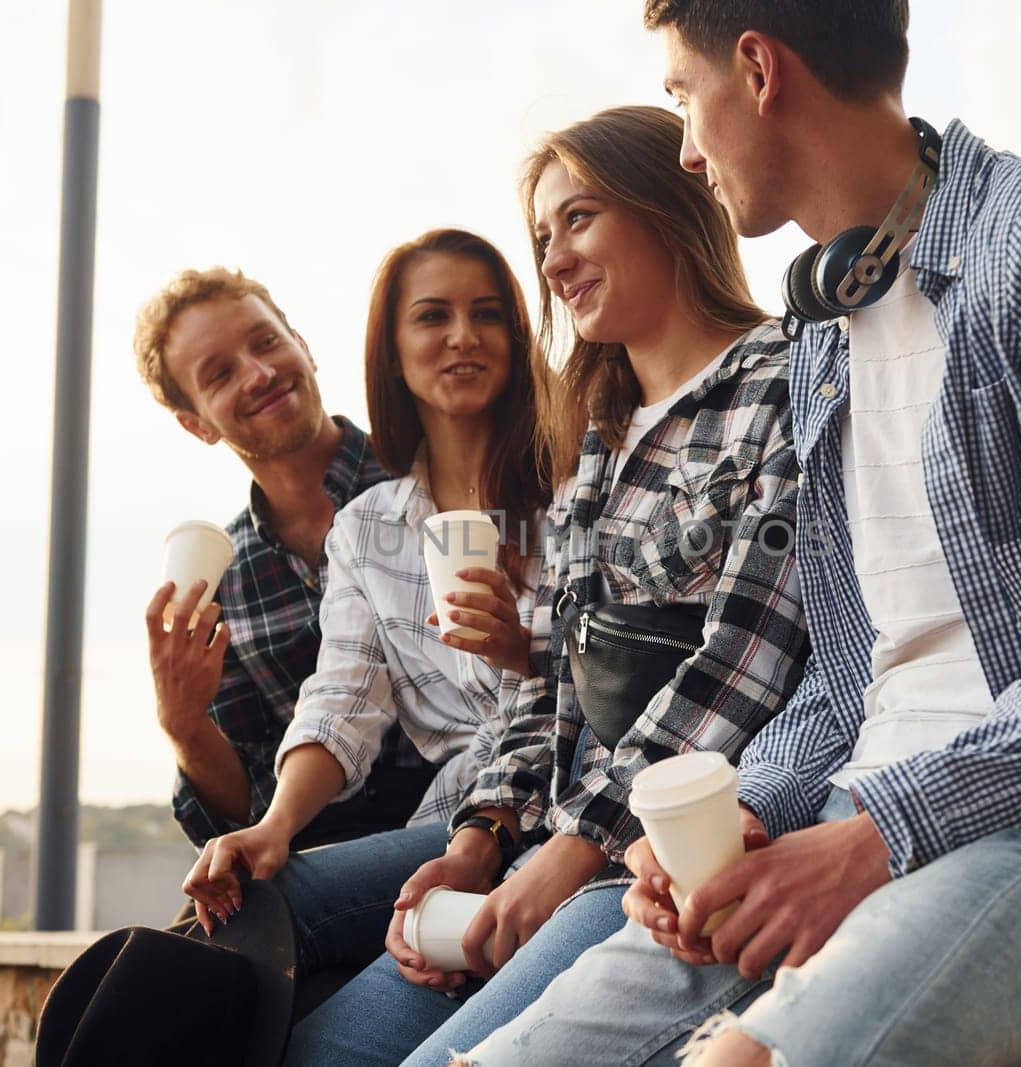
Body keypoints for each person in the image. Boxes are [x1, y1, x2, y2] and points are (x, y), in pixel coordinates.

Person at [460, 3, 1021, 1065]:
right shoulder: (823, 334)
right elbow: (852, 683)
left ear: (756, 69)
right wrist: (741, 817)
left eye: (681, 97)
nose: (684, 146)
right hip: (849, 816)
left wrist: (881, 832)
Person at [279, 105, 810, 1067]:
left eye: (580, 219)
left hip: (668, 858)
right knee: (321, 1050)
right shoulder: (600, 438)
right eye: (543, 236)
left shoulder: (784, 381)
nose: (555, 262)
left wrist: (566, 854)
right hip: (552, 840)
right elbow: (551, 687)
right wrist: (482, 833)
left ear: (671, 204)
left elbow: (746, 655)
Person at [180, 228, 547, 922]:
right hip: (452, 823)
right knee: (213, 936)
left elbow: (614, 675)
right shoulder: (366, 528)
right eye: (434, 316)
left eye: (488, 313)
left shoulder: (577, 477)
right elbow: (342, 699)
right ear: (393, 350)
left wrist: (518, 650)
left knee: (265, 930)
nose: (463, 335)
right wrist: (276, 824)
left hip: (561, 810)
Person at [135, 268, 434, 855]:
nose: (259, 373)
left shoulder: (434, 485)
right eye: (220, 373)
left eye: (266, 342)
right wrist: (184, 725)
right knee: (150, 950)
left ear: (304, 346)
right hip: (311, 851)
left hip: (459, 829)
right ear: (196, 424)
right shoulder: (219, 577)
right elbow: (242, 809)